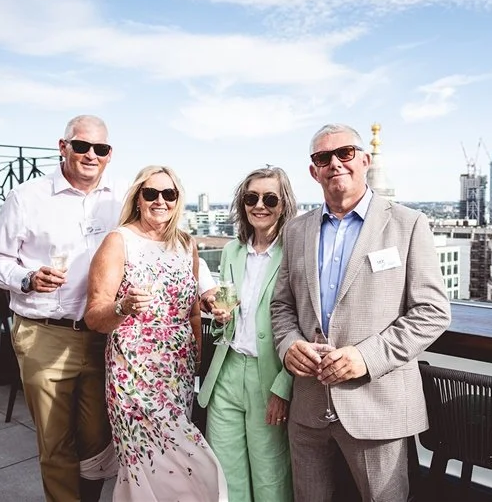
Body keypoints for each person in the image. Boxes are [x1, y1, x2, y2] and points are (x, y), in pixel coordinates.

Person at [271, 123, 451, 502]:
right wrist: (289, 345)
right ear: (313, 170)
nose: (335, 163)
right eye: (323, 157)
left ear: (365, 160)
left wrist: (365, 357)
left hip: (377, 405)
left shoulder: (408, 224)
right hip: (309, 403)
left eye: (345, 153)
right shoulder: (296, 230)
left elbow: (432, 311)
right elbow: (282, 305)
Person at [0, 115, 123, 501]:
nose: (91, 155)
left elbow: (161, 245)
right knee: (56, 443)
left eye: (101, 149)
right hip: (43, 331)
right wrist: (26, 278)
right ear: (63, 147)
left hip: (101, 336)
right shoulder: (27, 196)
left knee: (98, 440)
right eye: (81, 146)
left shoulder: (121, 199)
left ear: (110, 155)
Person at [84, 165, 227, 501]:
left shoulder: (186, 244)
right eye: (151, 193)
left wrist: (197, 357)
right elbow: (94, 315)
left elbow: (192, 309)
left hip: (177, 368)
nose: (160, 200)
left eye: (169, 194)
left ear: (178, 200)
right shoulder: (118, 241)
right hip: (132, 368)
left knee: (177, 454)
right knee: (149, 457)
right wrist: (124, 307)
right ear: (138, 198)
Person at [197, 167, 297, 502]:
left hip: (267, 376)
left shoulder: (294, 255)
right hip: (226, 370)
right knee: (225, 472)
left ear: (283, 205)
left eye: (270, 198)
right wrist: (218, 310)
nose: (260, 205)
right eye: (251, 197)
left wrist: (283, 387)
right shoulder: (231, 252)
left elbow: (305, 324)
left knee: (270, 475)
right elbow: (226, 308)